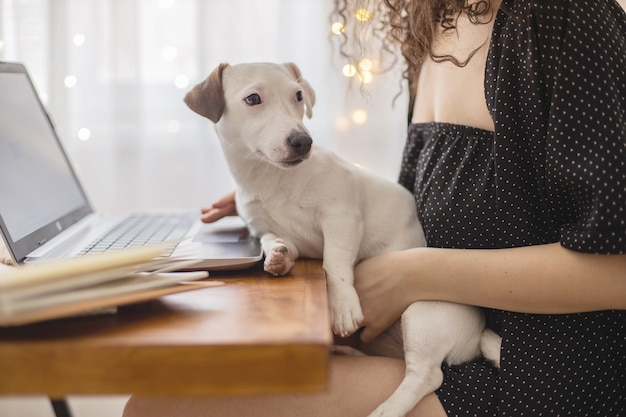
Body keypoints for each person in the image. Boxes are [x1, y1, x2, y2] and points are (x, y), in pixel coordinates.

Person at [123, 0, 626, 416]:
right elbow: (429, 212)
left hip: (540, 376)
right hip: (442, 338)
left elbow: (616, 272)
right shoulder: (437, 30)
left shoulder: (564, 18)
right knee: (179, 379)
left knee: (159, 406)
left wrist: (413, 275)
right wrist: (283, 199)